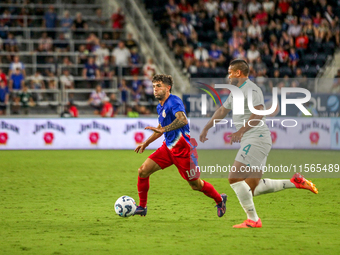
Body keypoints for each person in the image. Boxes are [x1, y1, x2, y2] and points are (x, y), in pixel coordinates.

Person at [199, 59, 318, 228]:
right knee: (251, 188)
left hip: (257, 138)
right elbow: (222, 110)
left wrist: (241, 131)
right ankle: (295, 182)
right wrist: (207, 127)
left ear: (238, 73)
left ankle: (253, 220)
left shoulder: (251, 89)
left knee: (234, 177)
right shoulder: (236, 92)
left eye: (230, 71)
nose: (229, 75)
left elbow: (259, 112)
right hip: (254, 139)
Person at [133, 74, 227, 217]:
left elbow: (182, 120)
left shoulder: (174, 101)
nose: (155, 89)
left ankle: (220, 200)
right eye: (153, 86)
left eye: (158, 86)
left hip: (183, 152)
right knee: (143, 171)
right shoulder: (161, 106)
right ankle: (142, 207)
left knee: (196, 185)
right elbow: (161, 127)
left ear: (168, 88)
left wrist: (163, 129)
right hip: (168, 148)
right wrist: (146, 143)